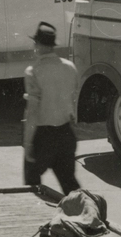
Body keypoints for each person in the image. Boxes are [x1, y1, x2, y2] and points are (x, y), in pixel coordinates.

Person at [21, 20, 81, 195]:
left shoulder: (33, 71)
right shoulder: (70, 67)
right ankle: (87, 216)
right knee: (70, 186)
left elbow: (32, 111)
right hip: (66, 134)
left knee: (31, 187)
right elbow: (73, 100)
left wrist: (27, 143)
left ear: (38, 45)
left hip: (43, 137)